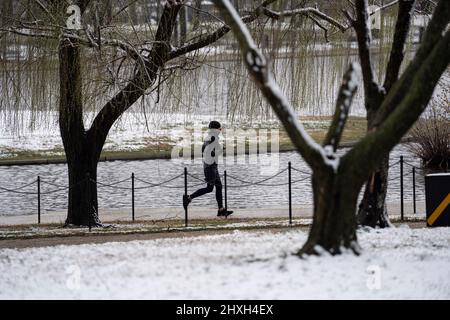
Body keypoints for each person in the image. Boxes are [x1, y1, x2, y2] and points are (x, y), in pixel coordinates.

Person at [183, 121, 233, 217]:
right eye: (219, 128)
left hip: (211, 166)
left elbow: (204, 150)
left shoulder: (210, 137)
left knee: (218, 187)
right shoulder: (212, 138)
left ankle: (221, 210)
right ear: (215, 129)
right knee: (210, 188)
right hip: (210, 167)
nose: (220, 130)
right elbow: (211, 153)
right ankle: (189, 197)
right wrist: (221, 150)